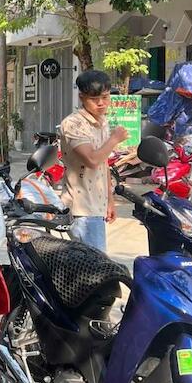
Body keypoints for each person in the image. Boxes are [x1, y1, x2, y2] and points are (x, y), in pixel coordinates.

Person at [59, 69, 128, 253]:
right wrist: (114, 139)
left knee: (91, 270)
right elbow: (91, 159)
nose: (101, 103)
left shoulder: (102, 122)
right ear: (82, 97)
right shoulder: (73, 124)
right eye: (94, 98)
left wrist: (109, 200)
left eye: (105, 97)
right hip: (81, 209)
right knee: (94, 272)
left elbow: (103, 164)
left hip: (96, 207)